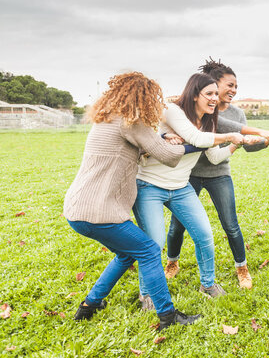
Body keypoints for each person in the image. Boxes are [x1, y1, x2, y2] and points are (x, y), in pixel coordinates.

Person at [63, 72, 201, 331]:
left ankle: (90, 305)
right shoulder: (131, 124)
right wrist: (200, 143)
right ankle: (168, 316)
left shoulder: (107, 120)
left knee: (127, 254)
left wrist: (161, 138)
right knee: (148, 250)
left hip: (77, 210)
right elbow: (169, 157)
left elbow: (140, 144)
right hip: (100, 213)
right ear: (143, 99)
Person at [165, 59, 269, 289]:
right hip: (191, 174)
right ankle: (172, 262)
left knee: (231, 224)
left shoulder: (237, 114)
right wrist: (254, 132)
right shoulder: (202, 111)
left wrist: (268, 141)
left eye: (236, 86)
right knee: (178, 225)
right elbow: (229, 129)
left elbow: (246, 143)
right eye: (229, 85)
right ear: (211, 86)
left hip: (219, 172)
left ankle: (242, 268)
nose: (233, 90)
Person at [133, 73, 250, 308]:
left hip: (180, 187)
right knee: (153, 243)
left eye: (216, 94)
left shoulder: (207, 121)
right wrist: (228, 135)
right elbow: (196, 138)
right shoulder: (174, 111)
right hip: (150, 185)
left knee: (204, 235)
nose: (215, 98)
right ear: (194, 95)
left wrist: (235, 144)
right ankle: (146, 294)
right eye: (209, 94)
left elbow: (214, 156)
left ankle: (208, 284)